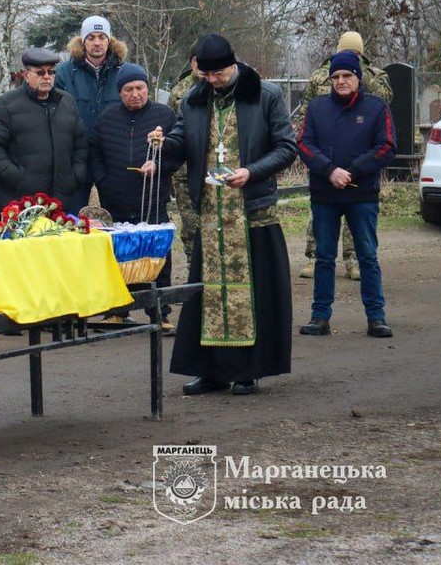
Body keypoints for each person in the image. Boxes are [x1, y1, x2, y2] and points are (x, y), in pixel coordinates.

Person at [150, 33, 297, 397]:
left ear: (233, 64)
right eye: (206, 75)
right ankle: (211, 370)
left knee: (252, 293)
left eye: (218, 74)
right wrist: (160, 147)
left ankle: (248, 370)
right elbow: (181, 142)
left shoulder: (266, 95)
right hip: (211, 214)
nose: (212, 81)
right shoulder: (195, 98)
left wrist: (253, 171)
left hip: (251, 211)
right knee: (208, 293)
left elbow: (286, 147)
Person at [297, 51, 396, 338]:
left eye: (346, 76)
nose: (341, 81)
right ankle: (320, 316)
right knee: (324, 257)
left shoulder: (377, 108)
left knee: (367, 256)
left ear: (358, 78)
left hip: (362, 194)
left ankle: (376, 317)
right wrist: (329, 171)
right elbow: (303, 143)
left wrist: (351, 171)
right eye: (336, 77)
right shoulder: (317, 108)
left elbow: (387, 146)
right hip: (325, 194)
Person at [89, 63, 178, 331]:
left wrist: (159, 166)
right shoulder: (107, 118)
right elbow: (94, 153)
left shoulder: (164, 115)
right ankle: (116, 311)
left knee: (156, 257)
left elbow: (176, 152)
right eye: (128, 89)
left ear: (147, 89)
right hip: (115, 199)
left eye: (140, 88)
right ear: (120, 92)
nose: (135, 94)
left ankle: (160, 313)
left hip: (151, 200)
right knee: (118, 257)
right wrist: (103, 180)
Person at [0, 46, 86, 210]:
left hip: (61, 202)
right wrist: (16, 179)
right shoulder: (6, 104)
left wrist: (75, 176)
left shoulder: (67, 102)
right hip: (21, 204)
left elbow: (81, 144)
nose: (47, 77)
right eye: (40, 73)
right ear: (26, 75)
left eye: (51, 72)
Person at [54, 15, 128, 212]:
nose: (97, 43)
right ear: (83, 41)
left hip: (112, 154)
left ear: (109, 40)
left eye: (102, 37)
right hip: (77, 154)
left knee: (116, 214)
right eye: (91, 37)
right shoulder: (64, 73)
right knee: (72, 214)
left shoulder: (124, 72)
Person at [166, 50, 203, 266]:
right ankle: (192, 264)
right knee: (190, 223)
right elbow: (173, 127)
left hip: (212, 167)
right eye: (198, 60)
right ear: (192, 62)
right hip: (184, 171)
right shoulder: (180, 90)